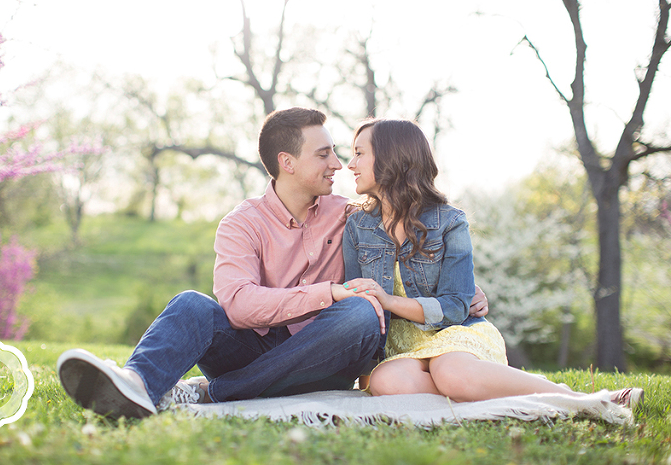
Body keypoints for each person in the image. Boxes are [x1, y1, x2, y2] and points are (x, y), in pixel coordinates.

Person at [57, 107, 488, 419]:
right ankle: (135, 386)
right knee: (191, 303)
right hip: (254, 348)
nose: (338, 164)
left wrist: (465, 288)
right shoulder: (240, 225)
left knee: (359, 312)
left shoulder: (352, 215)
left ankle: (209, 393)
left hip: (326, 354)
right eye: (324, 154)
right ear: (287, 163)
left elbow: (412, 236)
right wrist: (328, 292)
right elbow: (240, 307)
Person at [340, 118, 643, 408]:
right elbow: (358, 308)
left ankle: (580, 399)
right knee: (386, 383)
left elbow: (456, 306)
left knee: (451, 374)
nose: (350, 164)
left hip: (454, 332)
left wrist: (388, 300)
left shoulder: (449, 221)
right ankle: (511, 389)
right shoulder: (357, 226)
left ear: (391, 157)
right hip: (402, 347)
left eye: (359, 154)